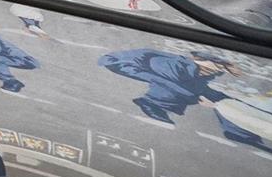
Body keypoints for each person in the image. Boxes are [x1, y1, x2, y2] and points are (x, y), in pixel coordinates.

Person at [97, 48, 236, 124]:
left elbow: (200, 88)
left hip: (136, 64)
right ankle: (151, 104)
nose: (218, 71)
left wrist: (222, 99)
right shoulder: (175, 66)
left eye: (220, 69)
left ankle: (156, 104)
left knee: (209, 94)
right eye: (217, 66)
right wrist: (198, 99)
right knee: (172, 87)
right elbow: (176, 85)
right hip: (120, 63)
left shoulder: (194, 72)